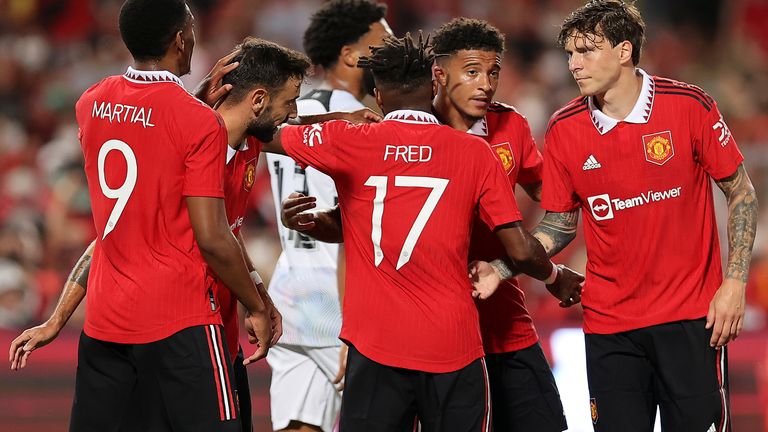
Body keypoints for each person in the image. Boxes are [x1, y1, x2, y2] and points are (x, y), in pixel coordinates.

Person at [9, 36, 376, 432]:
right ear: (257, 101)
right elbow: (111, 239)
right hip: (185, 336)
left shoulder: (253, 138)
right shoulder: (191, 153)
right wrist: (57, 319)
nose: (292, 111)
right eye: (289, 101)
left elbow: (288, 136)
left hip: (221, 338)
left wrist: (344, 123)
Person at [260, 32, 584, 432]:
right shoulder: (474, 154)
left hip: (381, 343)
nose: (484, 82)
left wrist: (336, 121)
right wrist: (553, 274)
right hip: (455, 344)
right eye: (472, 71)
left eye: (493, 72)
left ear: (378, 96)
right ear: (436, 80)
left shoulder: (353, 141)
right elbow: (521, 247)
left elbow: (261, 133)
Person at [481, 1, 758, 430]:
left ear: (624, 50)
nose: (574, 64)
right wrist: (502, 267)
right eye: (570, 53)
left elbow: (741, 192)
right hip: (609, 326)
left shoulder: (688, 105)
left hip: (690, 318)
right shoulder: (564, 128)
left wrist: (735, 281)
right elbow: (558, 225)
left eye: (586, 51)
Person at [8, 1, 273, 430]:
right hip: (181, 322)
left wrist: (57, 318)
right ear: (181, 40)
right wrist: (256, 303)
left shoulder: (90, 103)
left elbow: (141, 147)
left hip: (106, 322)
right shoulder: (198, 123)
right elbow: (212, 236)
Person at [264, 1, 390, 431]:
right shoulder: (363, 125)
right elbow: (355, 221)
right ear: (352, 55)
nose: (392, 46)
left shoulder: (284, 115)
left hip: (289, 291)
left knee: (299, 427)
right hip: (340, 301)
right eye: (383, 39)